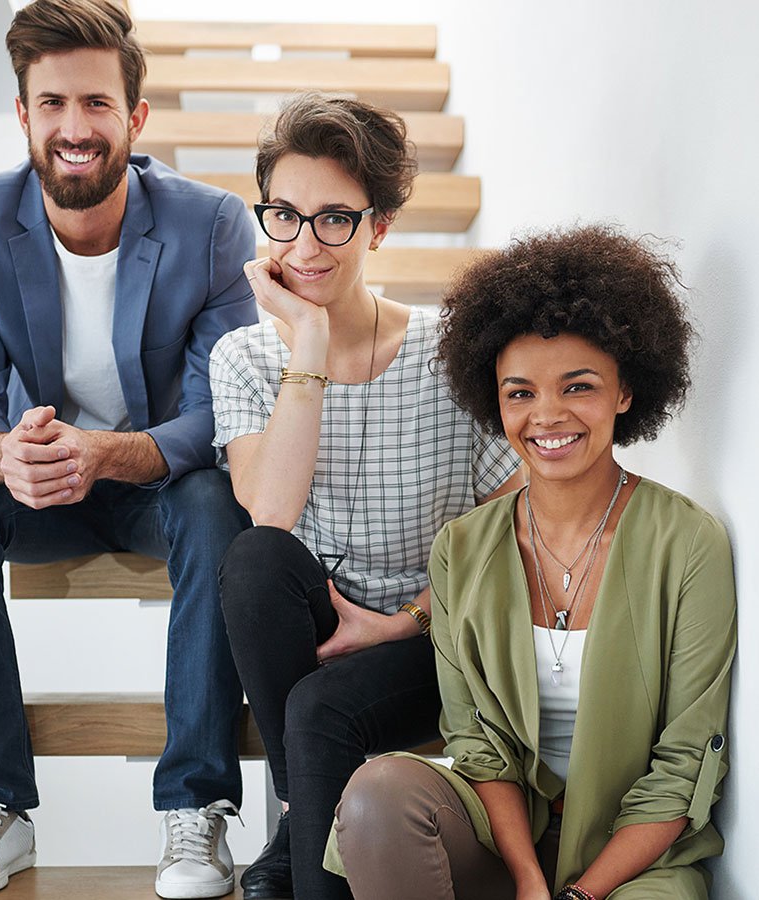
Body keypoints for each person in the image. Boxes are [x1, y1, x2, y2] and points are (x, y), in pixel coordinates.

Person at [0, 2, 257, 897]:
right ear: (23, 114)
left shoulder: (211, 223)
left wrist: (108, 452)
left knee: (219, 505)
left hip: (161, 480)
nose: (74, 127)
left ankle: (197, 809)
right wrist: (2, 455)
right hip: (40, 481)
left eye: (96, 103)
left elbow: (221, 409)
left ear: (135, 118)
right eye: (52, 103)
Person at [332, 225, 737, 900]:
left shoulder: (689, 543)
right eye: (520, 392)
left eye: (578, 387)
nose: (546, 416)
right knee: (379, 795)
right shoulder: (462, 548)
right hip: (502, 841)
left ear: (625, 391)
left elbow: (684, 764)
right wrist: (527, 879)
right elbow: (476, 743)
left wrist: (578, 895)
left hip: (631, 859)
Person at [208, 92, 521, 900]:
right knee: (253, 560)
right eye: (285, 215)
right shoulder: (243, 357)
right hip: (316, 626)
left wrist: (406, 620)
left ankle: (297, 836)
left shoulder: (451, 353)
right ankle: (305, 817)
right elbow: (271, 515)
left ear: (378, 228)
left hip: (436, 633)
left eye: (335, 220)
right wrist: (309, 342)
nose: (305, 245)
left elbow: (514, 536)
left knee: (317, 712)